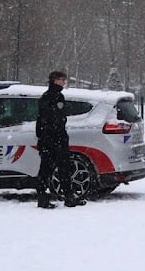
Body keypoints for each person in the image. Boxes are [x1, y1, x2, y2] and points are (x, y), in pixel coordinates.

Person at [36, 70, 86, 208]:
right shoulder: (49, 98)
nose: (64, 82)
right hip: (51, 139)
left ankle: (69, 197)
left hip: (57, 138)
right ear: (55, 80)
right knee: (47, 169)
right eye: (62, 80)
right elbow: (46, 119)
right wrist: (44, 138)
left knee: (63, 168)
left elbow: (54, 118)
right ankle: (43, 197)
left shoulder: (58, 96)